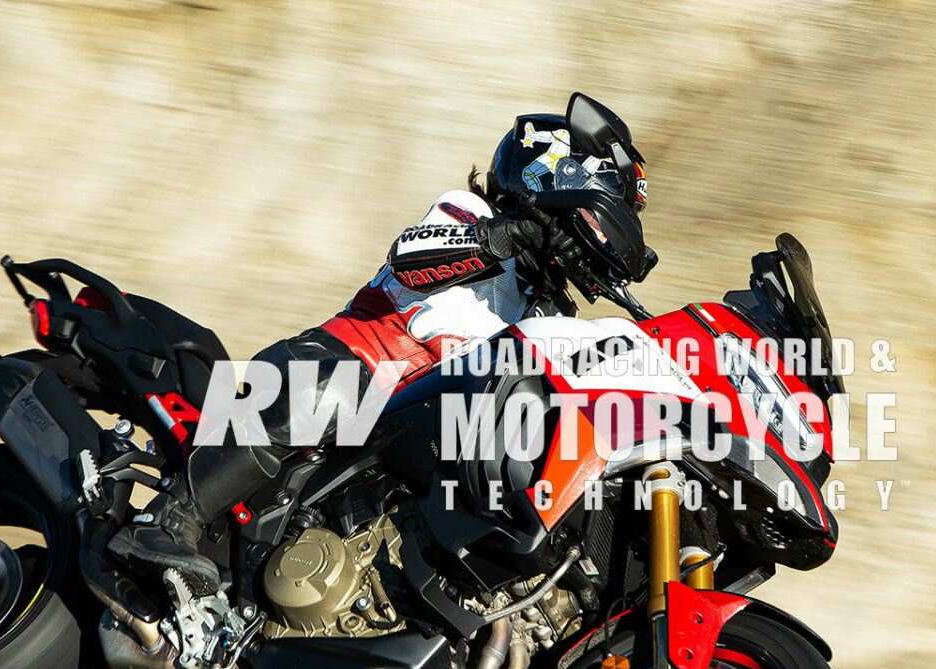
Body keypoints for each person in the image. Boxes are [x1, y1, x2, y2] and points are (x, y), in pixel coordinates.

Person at [109, 93, 649, 589]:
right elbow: (411, 259)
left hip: (404, 437)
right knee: (335, 389)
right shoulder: (469, 211)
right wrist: (511, 236)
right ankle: (168, 518)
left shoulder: (546, 310)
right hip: (337, 365)